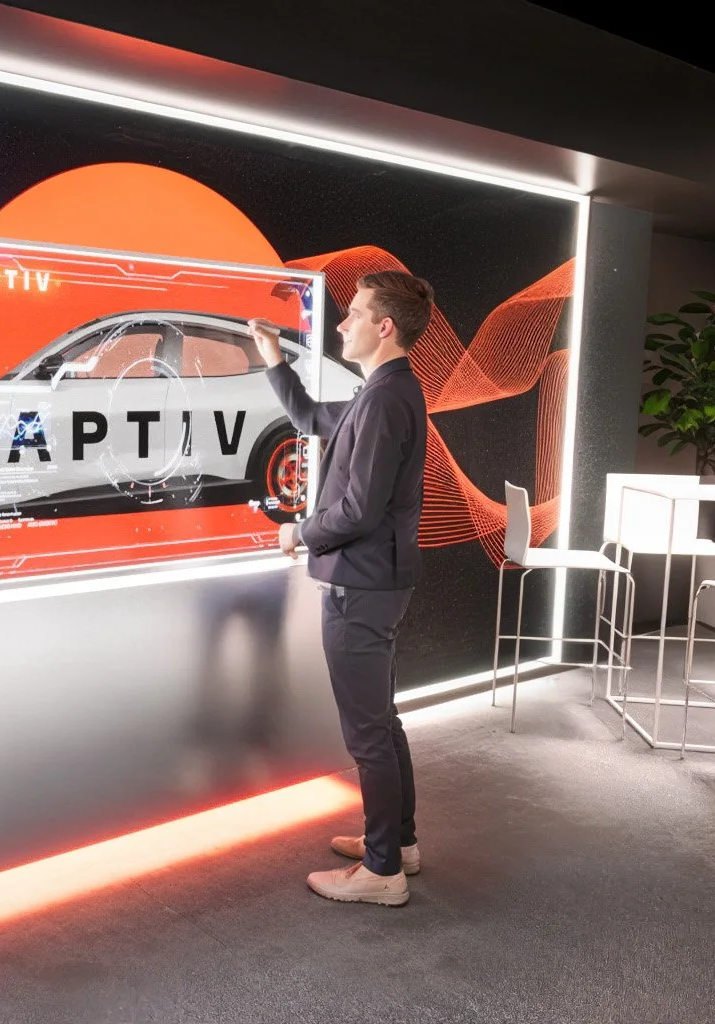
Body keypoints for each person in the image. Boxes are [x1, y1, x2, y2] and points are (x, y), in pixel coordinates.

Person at [249, 270, 433, 908]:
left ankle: (383, 872)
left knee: (367, 734)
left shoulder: (384, 399)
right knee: (382, 722)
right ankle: (398, 844)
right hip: (376, 581)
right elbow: (308, 416)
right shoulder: (385, 389)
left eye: (353, 313)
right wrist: (273, 358)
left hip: (362, 584)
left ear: (385, 326)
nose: (342, 323)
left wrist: (298, 532)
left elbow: (357, 509)